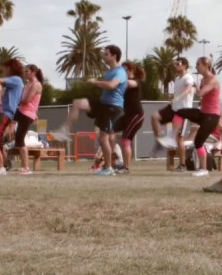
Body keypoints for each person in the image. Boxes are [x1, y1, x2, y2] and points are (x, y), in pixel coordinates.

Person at [51, 45, 126, 176]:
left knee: (103, 138)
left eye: (106, 54)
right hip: (103, 104)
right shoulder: (108, 72)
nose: (104, 57)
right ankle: (65, 130)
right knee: (77, 103)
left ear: (114, 56)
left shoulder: (120, 71)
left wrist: (95, 82)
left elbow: (111, 85)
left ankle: (109, 168)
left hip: (113, 108)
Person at [175, 56, 222, 177]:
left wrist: (194, 87)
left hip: (212, 116)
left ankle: (204, 169)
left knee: (198, 142)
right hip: (203, 113)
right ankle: (177, 131)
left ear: (206, 66)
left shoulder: (213, 79)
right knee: (180, 111)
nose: (196, 67)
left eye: (198, 64)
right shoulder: (203, 79)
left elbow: (201, 93)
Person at [152, 57, 195, 150]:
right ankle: (159, 139)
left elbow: (188, 88)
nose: (176, 66)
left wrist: (179, 97)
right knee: (154, 117)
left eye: (178, 64)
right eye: (175, 64)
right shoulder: (177, 79)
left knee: (178, 138)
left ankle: (181, 158)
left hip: (183, 111)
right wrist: (172, 98)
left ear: (184, 66)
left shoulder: (188, 77)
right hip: (173, 108)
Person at [11, 64, 44, 174]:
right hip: (23, 112)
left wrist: (13, 100)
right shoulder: (28, 84)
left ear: (33, 72)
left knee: (20, 140)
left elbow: (27, 100)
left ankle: (26, 167)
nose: (24, 74)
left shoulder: (36, 85)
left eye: (27, 71)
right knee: (18, 139)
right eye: (24, 71)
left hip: (26, 114)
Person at [114, 61, 146, 174]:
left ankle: (126, 168)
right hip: (127, 115)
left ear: (131, 71)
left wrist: (116, 80)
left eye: (124, 70)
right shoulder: (124, 82)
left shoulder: (135, 82)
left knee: (125, 140)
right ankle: (115, 161)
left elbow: (128, 83)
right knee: (109, 132)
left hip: (136, 116)